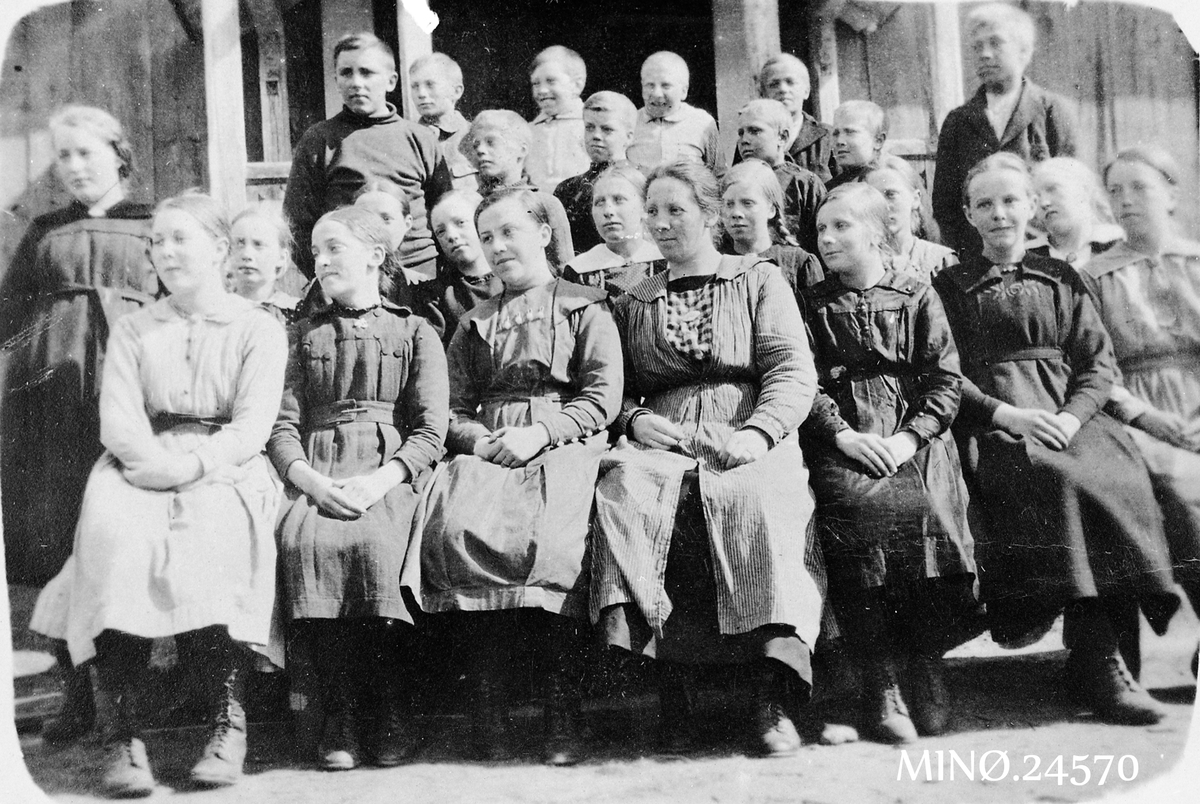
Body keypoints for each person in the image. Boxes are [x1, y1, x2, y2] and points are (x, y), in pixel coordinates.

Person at [37, 191, 287, 795]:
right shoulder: (135, 328)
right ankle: (122, 735)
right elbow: (120, 421)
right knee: (114, 535)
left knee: (216, 531)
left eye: (180, 239)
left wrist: (194, 464)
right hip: (139, 463)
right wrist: (152, 466)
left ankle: (227, 726)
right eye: (157, 242)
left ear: (219, 249)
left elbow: (252, 427)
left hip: (224, 463)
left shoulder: (256, 327)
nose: (165, 252)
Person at [933, 153, 1178, 726]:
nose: (999, 213)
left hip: (1070, 415)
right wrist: (1006, 415)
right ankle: (1099, 661)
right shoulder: (949, 286)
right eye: (985, 204)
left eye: (1010, 201)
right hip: (994, 421)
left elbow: (1097, 365)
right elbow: (943, 372)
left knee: (1114, 472)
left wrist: (1072, 417)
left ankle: (1103, 656)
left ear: (1031, 208)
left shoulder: (1065, 278)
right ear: (968, 214)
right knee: (1054, 477)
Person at [590, 161, 824, 758]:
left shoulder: (758, 279)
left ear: (711, 214)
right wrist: (635, 420)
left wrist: (759, 434)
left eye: (677, 210)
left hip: (745, 429)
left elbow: (791, 369)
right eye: (653, 211)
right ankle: (675, 698)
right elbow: (613, 388)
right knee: (632, 492)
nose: (662, 223)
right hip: (662, 437)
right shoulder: (633, 296)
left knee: (757, 499)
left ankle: (770, 698)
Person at [411, 187, 622, 765]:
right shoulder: (474, 322)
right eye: (487, 237)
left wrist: (543, 433)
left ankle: (561, 711)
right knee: (455, 528)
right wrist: (479, 440)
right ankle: (489, 709)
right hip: (492, 444)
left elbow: (602, 396)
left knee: (554, 538)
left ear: (544, 234)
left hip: (564, 439)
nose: (497, 246)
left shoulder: (585, 306)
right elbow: (451, 407)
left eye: (509, 232)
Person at [269, 206, 448, 771]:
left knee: (377, 544)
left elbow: (430, 429)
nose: (321, 262)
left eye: (334, 248)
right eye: (315, 253)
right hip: (318, 467)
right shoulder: (300, 335)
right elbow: (282, 426)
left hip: (389, 469)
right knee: (305, 542)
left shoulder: (416, 330)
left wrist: (383, 479)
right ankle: (340, 712)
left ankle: (388, 708)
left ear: (375, 256)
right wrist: (311, 481)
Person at [3, 105, 157, 747]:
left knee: (119, 539)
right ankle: (77, 694)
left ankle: (129, 698)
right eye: (61, 156)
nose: (72, 166)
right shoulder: (45, 231)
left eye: (84, 153)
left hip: (125, 399)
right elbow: (10, 318)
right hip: (52, 408)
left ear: (118, 154)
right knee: (62, 543)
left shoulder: (153, 223)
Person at [801, 183, 975, 743]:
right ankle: (880, 681)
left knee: (927, 513)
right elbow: (802, 381)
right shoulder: (811, 304)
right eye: (821, 228)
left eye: (842, 226)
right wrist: (843, 436)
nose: (827, 238)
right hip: (843, 438)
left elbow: (944, 381)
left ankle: (925, 665)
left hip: (912, 436)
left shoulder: (917, 295)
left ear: (876, 232)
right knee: (857, 520)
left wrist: (908, 439)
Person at [1082, 145, 1200, 676]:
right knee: (1177, 487)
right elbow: (1093, 365)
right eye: (1115, 190)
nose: (1125, 200)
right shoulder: (1095, 275)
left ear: (1171, 194)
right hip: (1134, 411)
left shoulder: (1196, 261)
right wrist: (1145, 417)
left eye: (1140, 187)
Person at [284, 33, 451, 282]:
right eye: (346, 73)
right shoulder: (319, 140)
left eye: (366, 72)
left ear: (391, 81)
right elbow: (296, 225)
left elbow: (445, 212)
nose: (356, 82)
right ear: (336, 81)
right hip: (352, 278)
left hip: (419, 276)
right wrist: (331, 277)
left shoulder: (420, 138)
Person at [931, 2, 1078, 259]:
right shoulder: (958, 122)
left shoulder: (1053, 111)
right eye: (977, 47)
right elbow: (946, 207)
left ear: (1024, 51)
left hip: (1042, 258)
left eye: (996, 43)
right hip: (979, 260)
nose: (985, 54)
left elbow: (1071, 195)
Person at [459, 109, 575, 266]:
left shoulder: (545, 204)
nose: (480, 150)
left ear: (522, 150)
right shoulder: (471, 204)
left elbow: (565, 268)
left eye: (491, 142)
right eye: (476, 144)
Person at [735, 98, 826, 254]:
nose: (744, 140)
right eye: (741, 133)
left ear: (782, 137)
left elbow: (819, 239)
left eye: (755, 131)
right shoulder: (735, 184)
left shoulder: (804, 183)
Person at [718, 159, 823, 294]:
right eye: (729, 204)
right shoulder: (715, 262)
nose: (736, 213)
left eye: (747, 203)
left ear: (771, 209)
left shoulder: (798, 263)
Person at [554, 91, 639, 254]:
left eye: (607, 129)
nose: (596, 136)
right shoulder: (567, 189)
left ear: (629, 137)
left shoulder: (640, 183)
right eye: (590, 128)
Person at [562, 163, 665, 297]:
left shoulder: (665, 263)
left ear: (644, 207)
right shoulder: (579, 270)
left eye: (619, 200)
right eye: (599, 202)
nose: (608, 211)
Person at [418, 189, 503, 345]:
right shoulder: (439, 297)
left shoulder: (512, 277)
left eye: (460, 223)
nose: (451, 235)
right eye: (441, 231)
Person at [627, 51, 724, 178]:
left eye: (666, 86)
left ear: (684, 91)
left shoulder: (703, 123)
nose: (656, 93)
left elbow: (719, 176)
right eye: (649, 85)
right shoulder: (629, 122)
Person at [861, 155, 957, 281]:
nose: (882, 205)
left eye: (890, 195)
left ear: (915, 199)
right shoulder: (859, 262)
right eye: (874, 197)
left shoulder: (941, 260)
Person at [1029, 156, 1124, 270]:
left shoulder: (1121, 245)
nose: (1044, 203)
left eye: (1052, 189)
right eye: (1037, 196)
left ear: (1084, 190)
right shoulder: (1025, 257)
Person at [753, 53, 833, 182]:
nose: (783, 89)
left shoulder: (827, 136)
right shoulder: (752, 137)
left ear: (806, 91)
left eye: (790, 82)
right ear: (762, 94)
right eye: (774, 84)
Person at [409, 52, 478, 191]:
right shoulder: (407, 139)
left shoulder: (475, 137)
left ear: (457, 92)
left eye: (430, 85)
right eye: (415, 86)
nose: (421, 93)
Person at [527, 45, 591, 195]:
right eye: (536, 83)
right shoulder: (529, 130)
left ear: (577, 85)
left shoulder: (589, 126)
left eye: (551, 81)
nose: (542, 90)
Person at [229, 207, 301, 322]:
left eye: (258, 244)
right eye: (240, 243)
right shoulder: (217, 308)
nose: (246, 254)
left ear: (282, 257)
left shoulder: (297, 313)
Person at [828, 100, 887, 191]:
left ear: (878, 141)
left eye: (850, 132)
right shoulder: (831, 188)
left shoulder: (886, 184)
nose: (839, 141)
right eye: (835, 134)